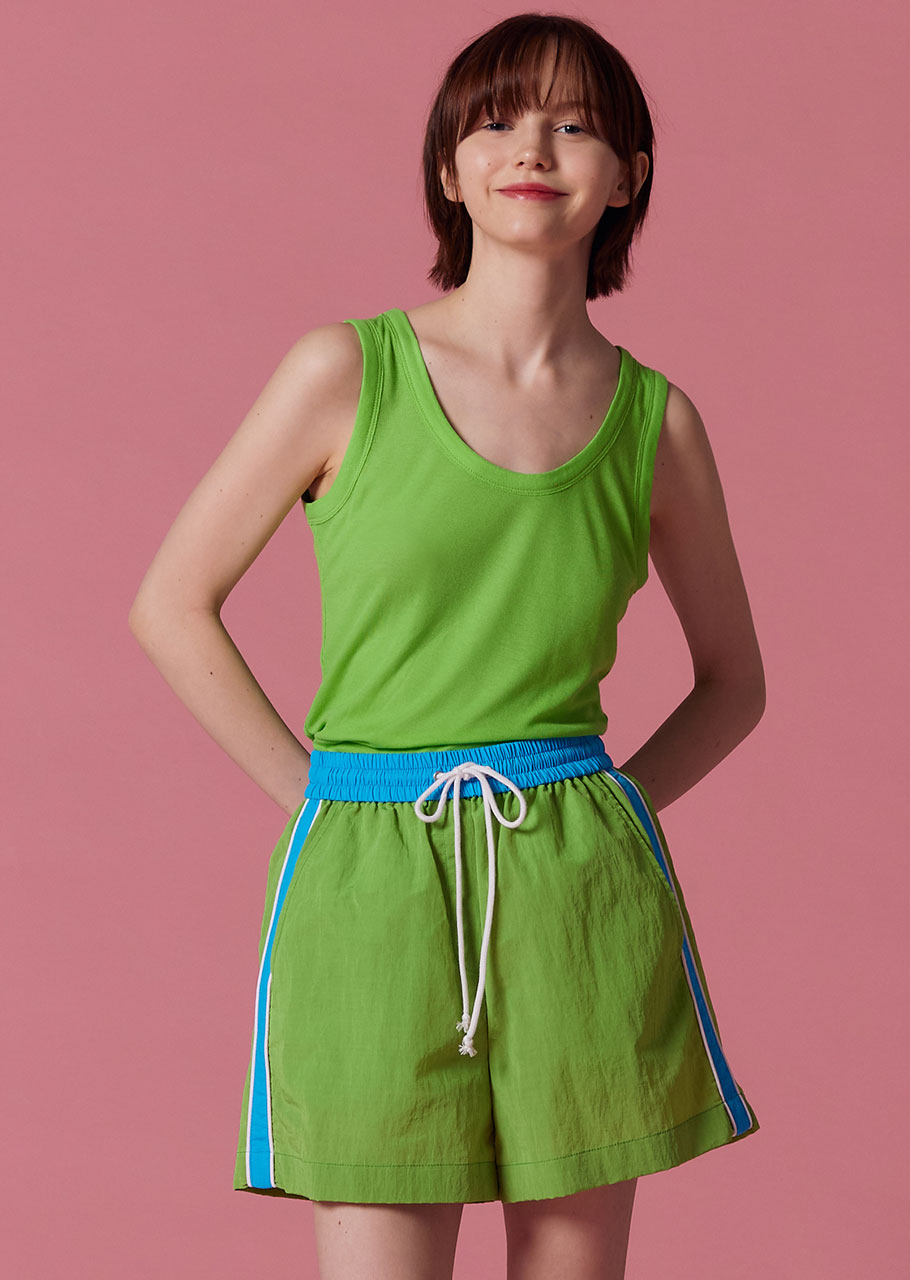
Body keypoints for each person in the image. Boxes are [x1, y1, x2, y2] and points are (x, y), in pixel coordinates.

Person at [129, 12, 764, 1279]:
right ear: (448, 167)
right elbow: (171, 601)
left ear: (628, 176)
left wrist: (609, 815)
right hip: (370, 873)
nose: (534, 147)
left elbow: (734, 681)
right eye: (497, 119)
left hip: (578, 885)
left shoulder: (658, 422)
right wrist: (315, 794)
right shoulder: (343, 371)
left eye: (576, 124)